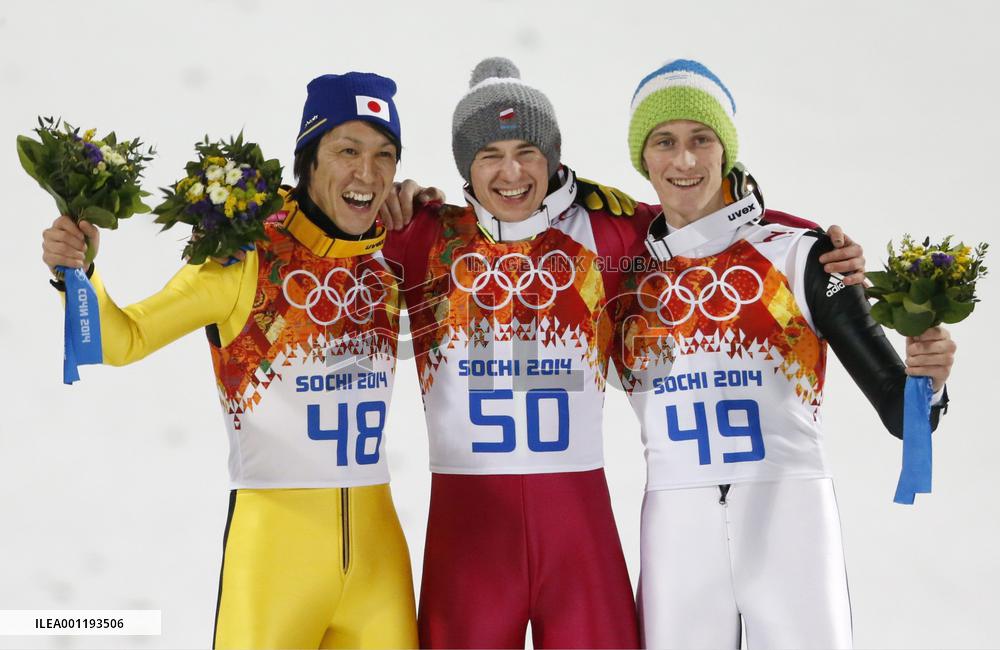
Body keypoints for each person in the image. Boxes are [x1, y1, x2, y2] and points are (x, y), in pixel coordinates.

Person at [379, 57, 865, 649]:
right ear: (466, 167)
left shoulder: (607, 231)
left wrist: (818, 245)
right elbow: (327, 219)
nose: (512, 172)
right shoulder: (423, 234)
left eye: (528, 151)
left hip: (576, 521)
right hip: (469, 527)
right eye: (489, 155)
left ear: (554, 158)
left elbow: (708, 218)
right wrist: (388, 194)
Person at [41, 72, 429, 649]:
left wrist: (436, 219)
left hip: (380, 565)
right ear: (308, 160)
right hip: (274, 558)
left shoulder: (391, 257)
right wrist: (78, 273)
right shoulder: (243, 256)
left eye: (384, 156)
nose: (367, 174)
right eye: (347, 151)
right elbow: (122, 340)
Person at [614, 59, 956, 649]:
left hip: (790, 514)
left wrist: (930, 375)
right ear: (642, 158)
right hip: (675, 526)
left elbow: (907, 416)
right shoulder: (621, 269)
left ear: (727, 150)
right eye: (664, 142)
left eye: (702, 139)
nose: (686, 161)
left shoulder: (801, 255)